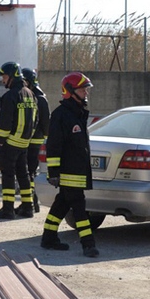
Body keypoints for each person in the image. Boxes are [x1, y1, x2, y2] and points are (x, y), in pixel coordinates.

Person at [41, 72, 99, 258]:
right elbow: (54, 146)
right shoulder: (61, 115)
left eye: (86, 89)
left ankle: (48, 238)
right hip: (68, 173)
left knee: (61, 204)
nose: (86, 93)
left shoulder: (77, 113)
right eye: (83, 89)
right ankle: (88, 245)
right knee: (80, 208)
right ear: (70, 91)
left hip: (77, 171)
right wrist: (53, 172)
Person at [0, 62, 37, 220]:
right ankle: (27, 207)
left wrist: (1, 140)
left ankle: (8, 209)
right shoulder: (30, 94)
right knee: (23, 175)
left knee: (8, 175)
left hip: (10, 143)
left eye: (4, 77)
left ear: (12, 77)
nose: (3, 81)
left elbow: (5, 122)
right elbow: (35, 120)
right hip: (24, 143)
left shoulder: (10, 96)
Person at [22, 68, 50, 213]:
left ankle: (31, 202)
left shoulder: (39, 98)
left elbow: (45, 122)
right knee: (28, 172)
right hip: (31, 139)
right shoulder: (34, 95)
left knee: (29, 172)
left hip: (34, 141)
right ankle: (32, 201)